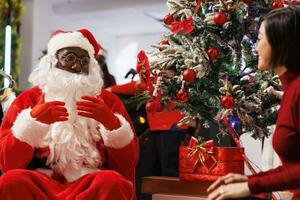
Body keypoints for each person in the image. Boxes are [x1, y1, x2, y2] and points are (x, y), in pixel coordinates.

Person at [0, 29, 139, 200]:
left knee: (112, 182)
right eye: (70, 58)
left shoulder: (108, 101)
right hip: (42, 182)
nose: (77, 66)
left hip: (91, 183)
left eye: (84, 60)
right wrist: (32, 122)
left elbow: (126, 166)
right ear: (53, 62)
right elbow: (9, 164)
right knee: (11, 181)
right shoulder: (28, 99)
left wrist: (111, 123)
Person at [207, 7, 300, 200]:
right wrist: (249, 180)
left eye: (259, 38)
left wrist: (252, 185)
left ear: (280, 42)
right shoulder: (292, 89)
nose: (255, 47)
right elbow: (293, 168)